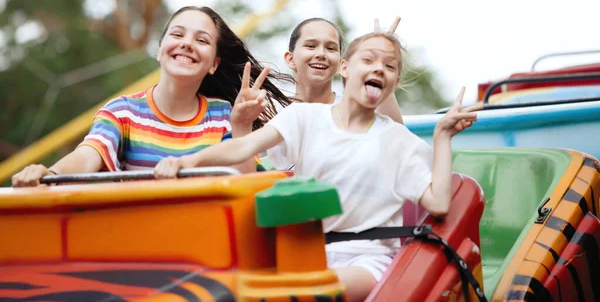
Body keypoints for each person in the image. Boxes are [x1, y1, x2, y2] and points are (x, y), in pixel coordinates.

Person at [153, 31, 478, 302]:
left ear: (392, 82)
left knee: (305, 291)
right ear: (346, 69)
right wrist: (188, 160)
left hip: (366, 260)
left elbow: (438, 202)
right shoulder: (304, 117)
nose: (379, 68)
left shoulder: (400, 142)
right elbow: (245, 146)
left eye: (389, 66)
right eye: (369, 60)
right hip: (305, 251)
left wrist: (442, 137)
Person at [12, 6, 291, 187]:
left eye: (202, 40)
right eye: (178, 34)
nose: (186, 44)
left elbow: (244, 184)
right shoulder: (123, 112)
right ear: (160, 50)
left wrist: (241, 127)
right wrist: (49, 174)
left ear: (214, 64)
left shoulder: (221, 115)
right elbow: (88, 155)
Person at [266, 17, 404, 170]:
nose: (321, 54)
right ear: (290, 59)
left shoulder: (353, 110)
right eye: (311, 46)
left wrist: (380, 64)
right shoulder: (270, 110)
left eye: (331, 48)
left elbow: (396, 146)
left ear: (341, 65)